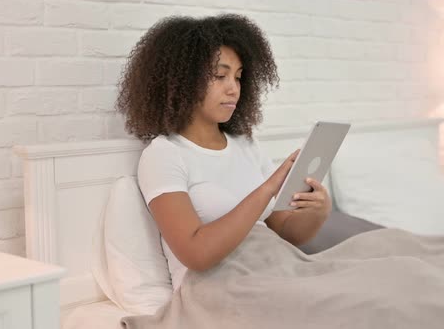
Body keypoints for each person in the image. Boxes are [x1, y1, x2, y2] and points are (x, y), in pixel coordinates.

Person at [115, 14, 332, 291]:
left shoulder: (246, 146)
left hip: (277, 271)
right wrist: (267, 189)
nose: (233, 88)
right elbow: (196, 253)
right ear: (181, 80)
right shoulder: (164, 155)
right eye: (220, 75)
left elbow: (288, 233)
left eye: (238, 77)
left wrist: (319, 209)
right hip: (222, 291)